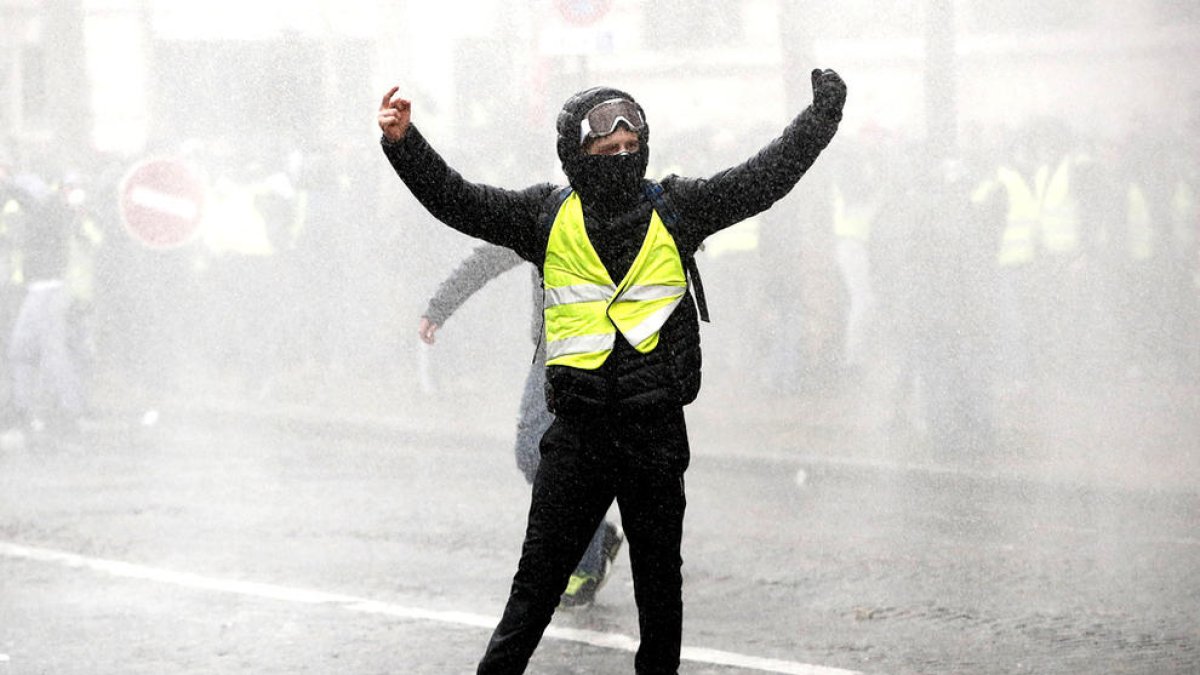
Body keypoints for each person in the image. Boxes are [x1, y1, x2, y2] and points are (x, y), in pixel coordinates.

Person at [377, 68, 846, 673]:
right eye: (605, 150)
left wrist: (822, 117)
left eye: (631, 148)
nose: (622, 158)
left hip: (655, 434)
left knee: (660, 594)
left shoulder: (678, 207)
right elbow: (457, 200)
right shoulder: (543, 216)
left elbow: (764, 178)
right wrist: (404, 143)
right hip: (577, 438)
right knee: (533, 595)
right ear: (576, 156)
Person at [418, 242, 624, 607]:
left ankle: (585, 565)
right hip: (551, 355)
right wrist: (439, 308)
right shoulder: (545, 212)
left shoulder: (621, 209)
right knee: (533, 453)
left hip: (603, 356)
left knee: (575, 460)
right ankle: (595, 535)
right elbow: (488, 259)